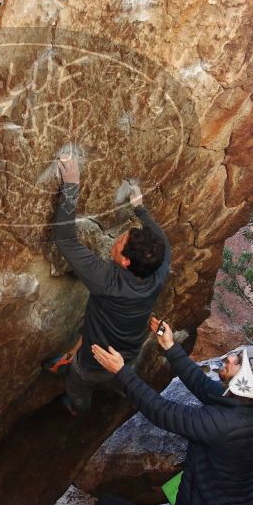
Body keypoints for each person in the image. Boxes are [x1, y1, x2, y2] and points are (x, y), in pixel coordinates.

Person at [93, 318, 253, 505]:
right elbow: (201, 384)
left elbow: (163, 412)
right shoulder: (250, 406)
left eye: (238, 361)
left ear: (246, 378)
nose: (230, 357)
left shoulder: (225, 424)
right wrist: (170, 346)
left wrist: (122, 372)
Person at [45, 153, 171, 414]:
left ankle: (76, 407)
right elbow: (161, 239)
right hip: (129, 352)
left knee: (79, 383)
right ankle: (112, 383)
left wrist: (71, 185)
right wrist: (139, 207)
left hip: (93, 364)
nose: (116, 241)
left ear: (125, 262)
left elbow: (66, 239)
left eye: (119, 243)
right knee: (116, 372)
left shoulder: (107, 281)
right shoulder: (158, 269)